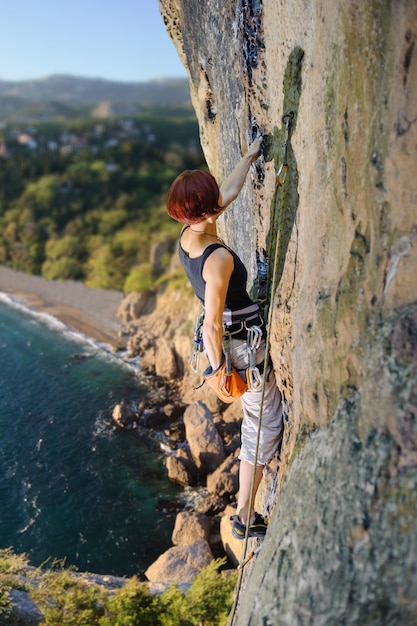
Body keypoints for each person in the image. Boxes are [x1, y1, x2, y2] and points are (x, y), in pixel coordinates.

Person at [166, 136, 283, 539]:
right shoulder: (216, 259)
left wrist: (250, 156)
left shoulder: (190, 236)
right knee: (260, 424)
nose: (221, 195)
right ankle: (245, 515)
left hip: (228, 339)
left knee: (255, 420)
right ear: (206, 207)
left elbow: (225, 194)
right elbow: (213, 322)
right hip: (238, 346)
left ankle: (245, 511)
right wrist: (220, 371)